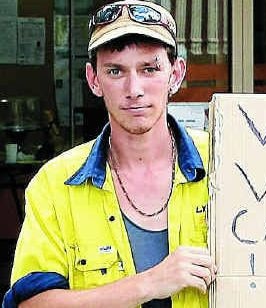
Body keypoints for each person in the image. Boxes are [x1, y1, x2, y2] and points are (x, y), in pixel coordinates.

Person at [2, 1, 216, 307]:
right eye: (115, 71)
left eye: (150, 69)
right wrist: (149, 283)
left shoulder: (226, 162)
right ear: (93, 79)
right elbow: (31, 303)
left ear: (175, 73)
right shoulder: (55, 183)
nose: (134, 88)